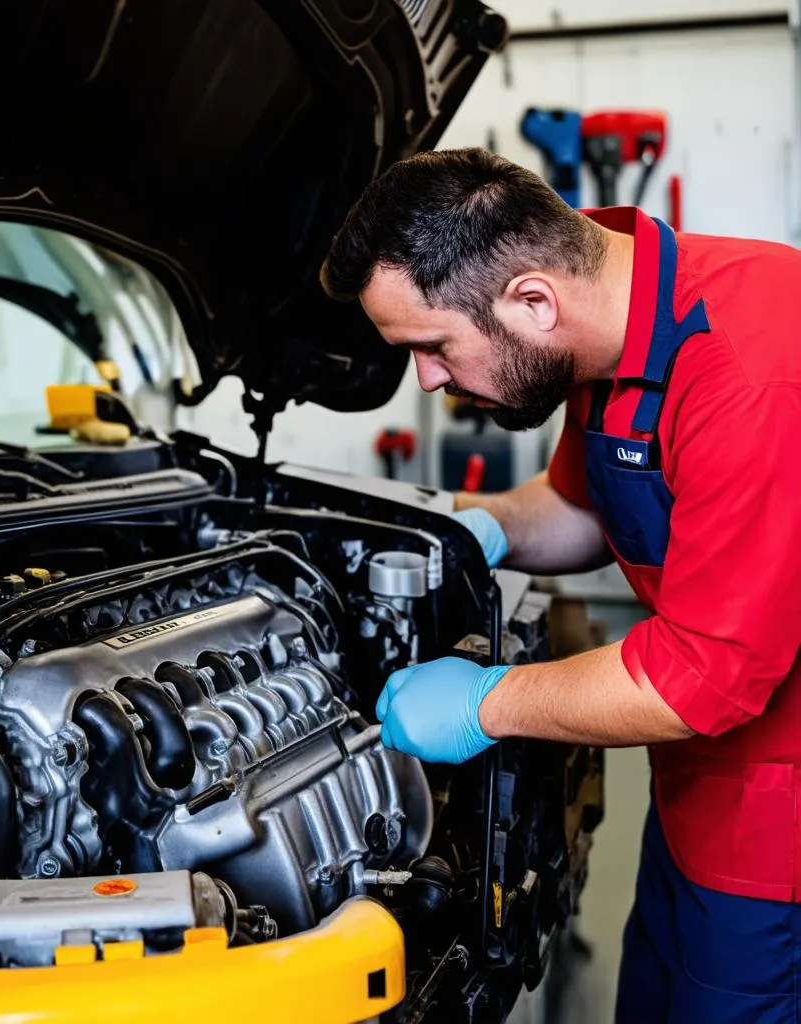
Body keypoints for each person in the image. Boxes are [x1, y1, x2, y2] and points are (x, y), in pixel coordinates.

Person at [320, 147, 801, 1023]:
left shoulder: (751, 373)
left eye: (432, 347)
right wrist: (481, 528)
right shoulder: (611, 323)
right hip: (698, 798)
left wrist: (485, 703)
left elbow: (700, 674)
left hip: (779, 846)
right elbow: (581, 507)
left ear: (533, 300)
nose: (427, 379)